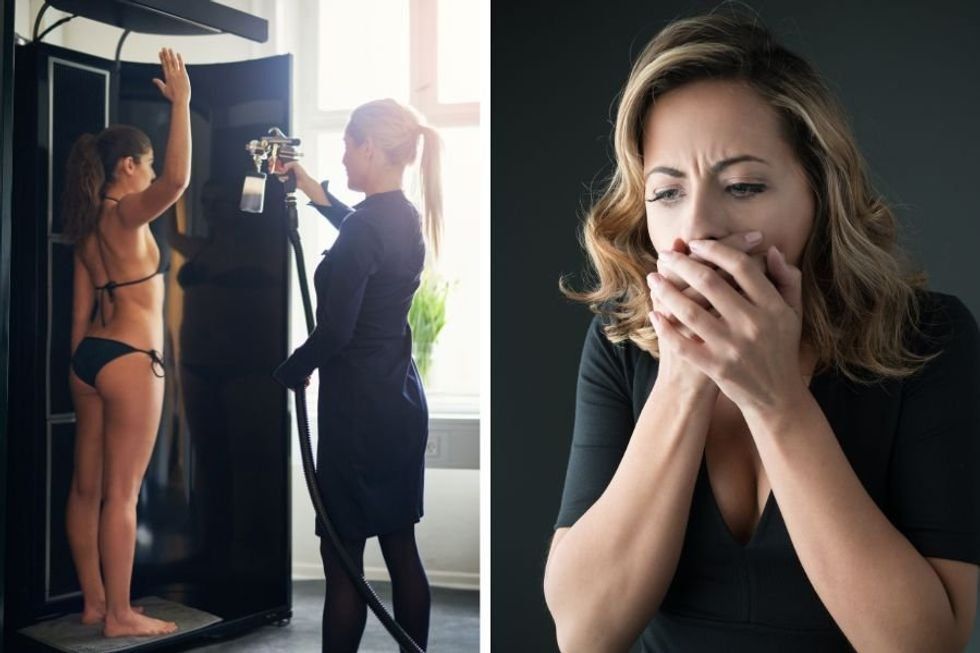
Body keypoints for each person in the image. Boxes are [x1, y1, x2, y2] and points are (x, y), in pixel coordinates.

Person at [543, 11, 980, 653]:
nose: (698, 228)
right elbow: (585, 633)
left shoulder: (927, 339)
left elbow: (923, 645)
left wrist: (776, 400)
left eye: (743, 186)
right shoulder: (621, 342)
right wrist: (685, 377)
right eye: (666, 193)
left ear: (820, 192)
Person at [272, 98, 442, 652]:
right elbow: (359, 231)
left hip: (357, 418)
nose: (343, 156)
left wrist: (289, 370)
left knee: (343, 559)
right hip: (398, 403)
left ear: (369, 147)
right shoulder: (400, 215)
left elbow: (335, 332)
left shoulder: (368, 227)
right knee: (400, 547)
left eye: (347, 146)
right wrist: (310, 188)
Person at [63, 48, 190, 638]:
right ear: (130, 166)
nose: (150, 172)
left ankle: (93, 604)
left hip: (88, 360)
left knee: (85, 489)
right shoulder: (126, 213)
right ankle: (119, 615)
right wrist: (181, 104)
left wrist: (78, 369)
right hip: (132, 361)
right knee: (122, 494)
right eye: (146, 163)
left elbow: (79, 312)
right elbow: (178, 180)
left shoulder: (87, 224)